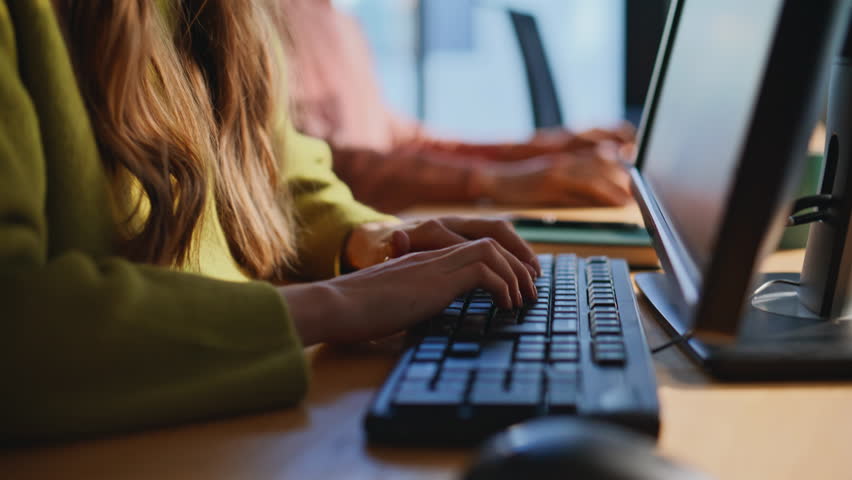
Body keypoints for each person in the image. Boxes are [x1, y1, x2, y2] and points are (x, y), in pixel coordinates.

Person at [1, 0, 540, 442]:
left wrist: (368, 237)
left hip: (229, 422)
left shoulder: (239, 14)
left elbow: (280, 162)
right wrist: (341, 303)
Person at [280, 0, 635, 212]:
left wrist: (544, 149)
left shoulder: (338, 19)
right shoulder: (265, 22)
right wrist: (495, 181)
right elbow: (324, 168)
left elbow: (403, 142)